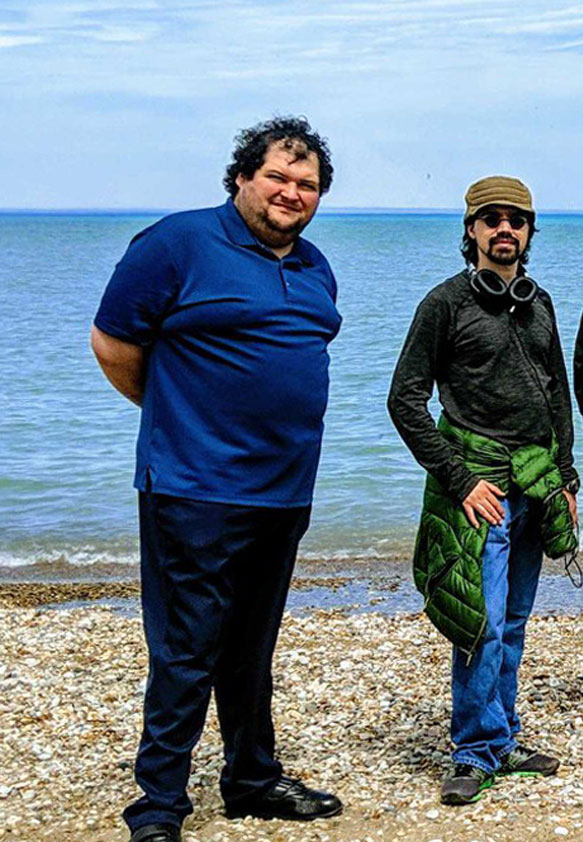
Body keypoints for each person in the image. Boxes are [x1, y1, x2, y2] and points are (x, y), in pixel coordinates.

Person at [91, 117, 344, 842]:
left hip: (284, 491)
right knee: (186, 650)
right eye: (278, 177)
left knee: (250, 647)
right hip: (193, 486)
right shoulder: (178, 243)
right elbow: (112, 343)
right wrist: (178, 415)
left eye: (307, 184)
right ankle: (159, 807)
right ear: (241, 177)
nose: (291, 193)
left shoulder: (315, 265)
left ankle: (251, 780)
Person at [388, 176, 581, 805]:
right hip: (479, 486)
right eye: (491, 218)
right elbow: (405, 401)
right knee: (483, 622)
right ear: (470, 229)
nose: (504, 229)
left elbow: (557, 394)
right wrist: (461, 479)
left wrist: (567, 479)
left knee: (514, 620)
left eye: (516, 220)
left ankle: (503, 738)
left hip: (536, 482)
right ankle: (472, 751)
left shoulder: (539, 301)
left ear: (529, 231)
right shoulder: (444, 303)